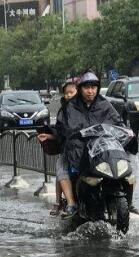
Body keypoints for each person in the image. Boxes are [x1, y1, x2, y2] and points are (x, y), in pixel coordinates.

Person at [38, 70, 139, 219]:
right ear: (80, 89)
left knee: (133, 159)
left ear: (97, 88)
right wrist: (52, 134)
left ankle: (129, 200)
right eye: (87, 87)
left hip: (105, 149)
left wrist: (127, 132)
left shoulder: (105, 105)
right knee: (61, 162)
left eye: (93, 87)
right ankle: (72, 203)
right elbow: (62, 129)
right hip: (80, 152)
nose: (90, 91)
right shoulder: (69, 108)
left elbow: (118, 124)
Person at [49, 80, 78, 216]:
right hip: (71, 149)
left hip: (93, 147)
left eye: (71, 92)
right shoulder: (64, 111)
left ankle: (127, 203)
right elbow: (60, 130)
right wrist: (51, 135)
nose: (68, 96)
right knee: (61, 165)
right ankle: (68, 202)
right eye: (66, 93)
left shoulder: (98, 105)